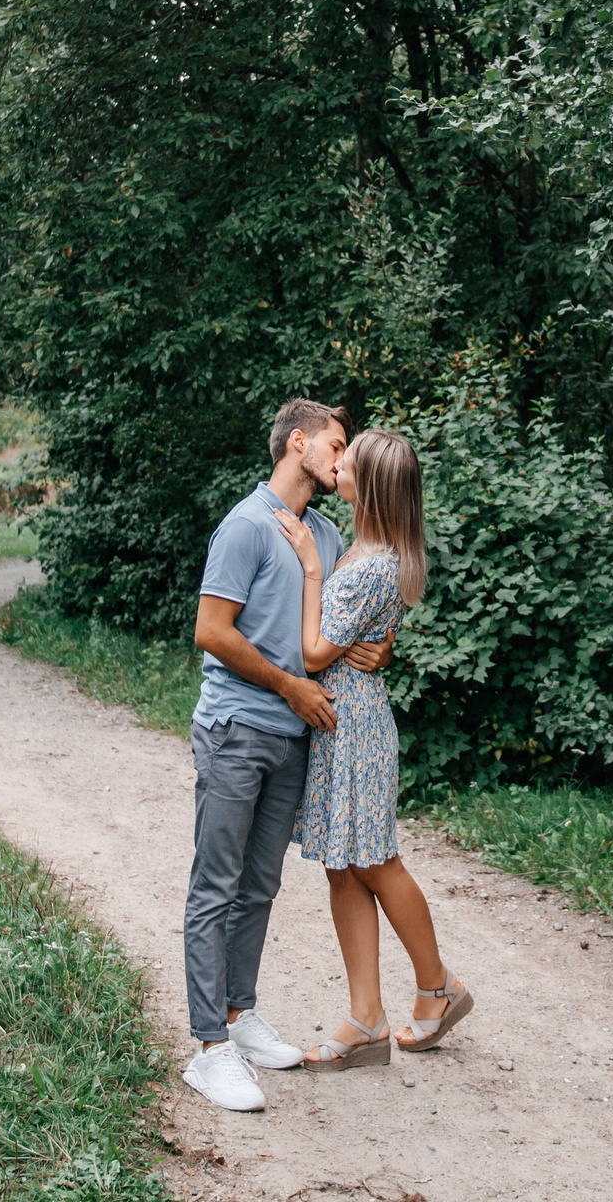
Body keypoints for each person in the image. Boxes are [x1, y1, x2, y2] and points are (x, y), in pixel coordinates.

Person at [179, 398, 397, 1113]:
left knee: (260, 887)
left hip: (297, 737)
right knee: (216, 886)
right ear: (297, 442)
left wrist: (380, 646)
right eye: (336, 444)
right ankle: (208, 1048)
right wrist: (290, 686)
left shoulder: (327, 536)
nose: (343, 457)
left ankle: (238, 1014)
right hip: (237, 728)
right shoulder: (246, 525)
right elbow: (212, 631)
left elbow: (345, 621)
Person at [272, 426, 472, 1071]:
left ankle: (438, 987)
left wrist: (311, 569)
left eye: (349, 461)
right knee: (343, 864)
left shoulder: (372, 564)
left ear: (373, 485)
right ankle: (367, 1018)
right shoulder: (361, 547)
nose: (338, 464)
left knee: (376, 860)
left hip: (355, 728)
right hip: (340, 722)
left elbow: (314, 653)